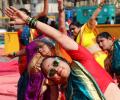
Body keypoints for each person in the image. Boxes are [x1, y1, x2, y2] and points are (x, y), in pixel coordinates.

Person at [5, 5, 120, 100]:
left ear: (61, 60)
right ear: (52, 80)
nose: (56, 69)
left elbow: (60, 35)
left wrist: (28, 20)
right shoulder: (68, 93)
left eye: (55, 64)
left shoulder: (85, 61)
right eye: (51, 73)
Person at [69, 0, 107, 68]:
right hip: (90, 65)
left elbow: (92, 18)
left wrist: (100, 6)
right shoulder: (75, 41)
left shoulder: (85, 30)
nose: (72, 31)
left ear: (79, 27)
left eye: (73, 28)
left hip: (100, 59)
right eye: (70, 30)